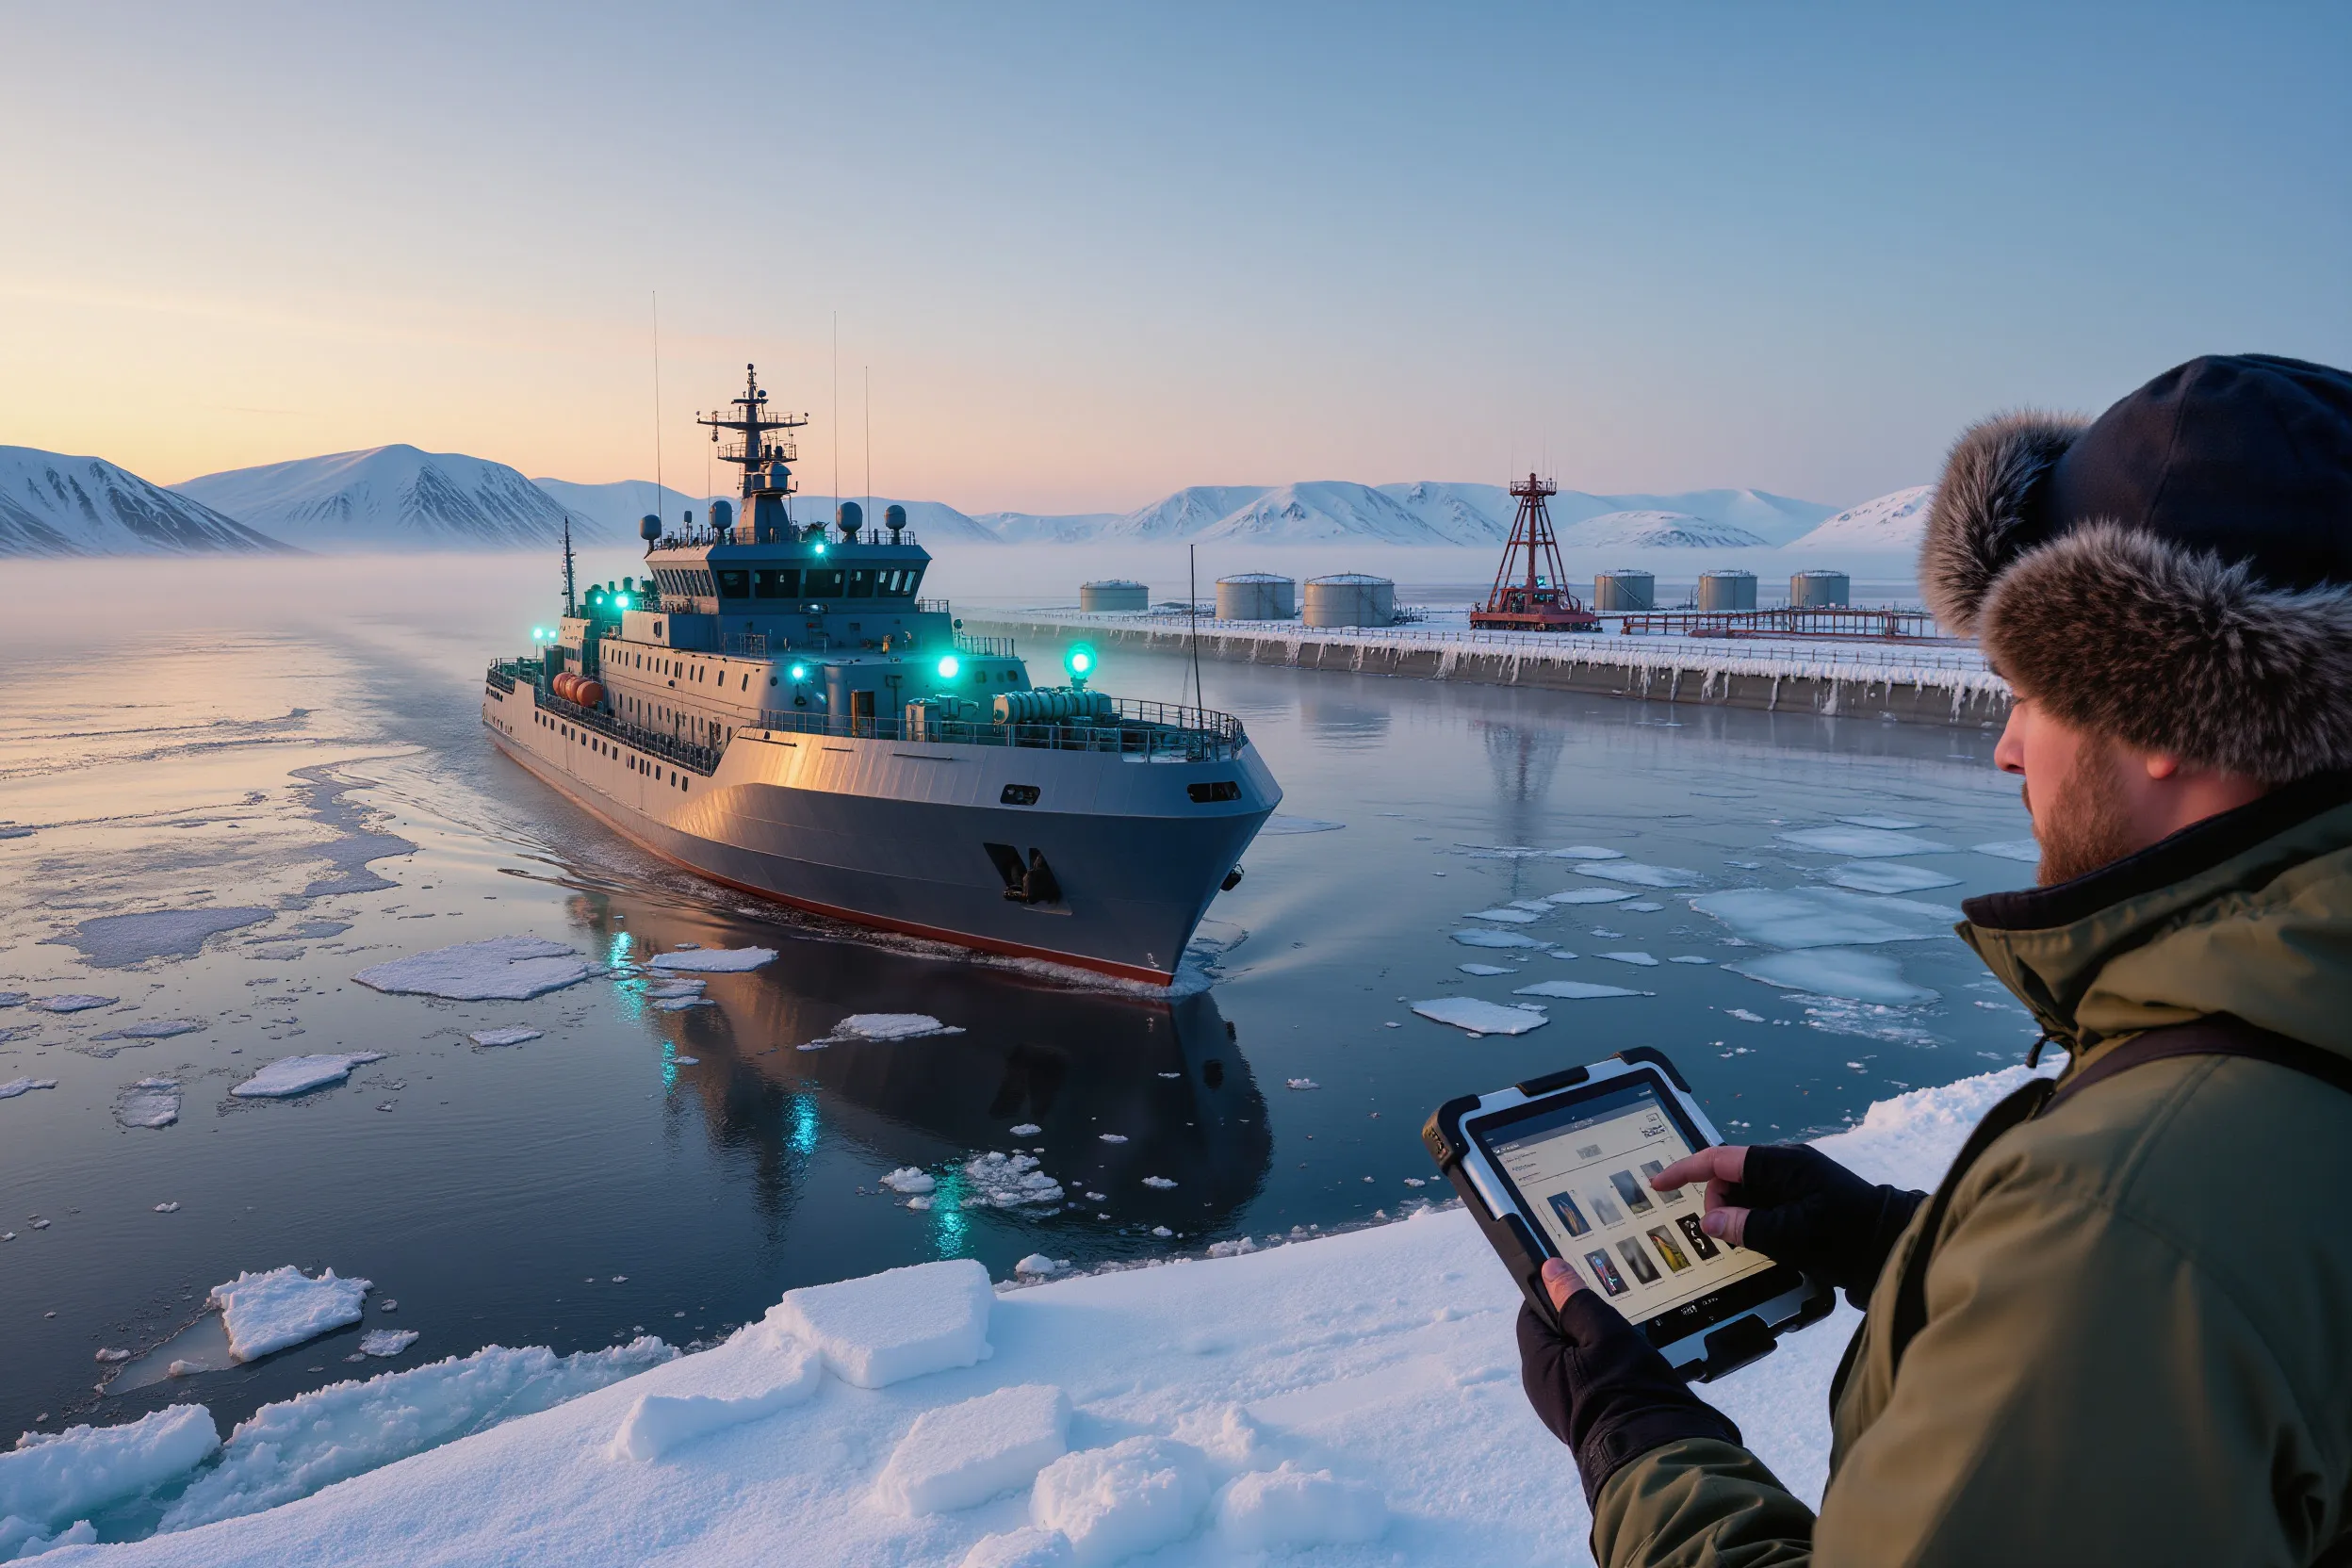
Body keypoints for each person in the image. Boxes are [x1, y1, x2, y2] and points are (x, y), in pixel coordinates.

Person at [1516, 353, 2352, 1564]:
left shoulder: (2119, 1222)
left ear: (2163, 708)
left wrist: (1634, 1441)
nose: (2006, 748)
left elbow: (2149, 1277)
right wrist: (1907, 1245)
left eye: (2026, 689)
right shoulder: (2280, 1054)